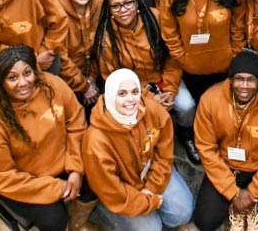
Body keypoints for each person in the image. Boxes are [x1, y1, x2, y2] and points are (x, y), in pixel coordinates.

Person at [0, 45, 88, 231]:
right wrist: (55, 188)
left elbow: (76, 121)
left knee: (100, 170)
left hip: (64, 159)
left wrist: (76, 169)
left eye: (27, 73)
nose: (23, 82)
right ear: (0, 82)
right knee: (54, 221)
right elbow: (3, 178)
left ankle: (78, 222)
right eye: (12, 77)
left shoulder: (52, 84)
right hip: (28, 181)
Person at [157, 0, 245, 162]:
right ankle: (188, 137)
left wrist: (234, 52)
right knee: (187, 107)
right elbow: (168, 27)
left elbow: (239, 21)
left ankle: (218, 138)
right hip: (188, 66)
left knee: (220, 106)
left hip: (222, 64)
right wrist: (180, 55)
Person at [192, 51, 258, 231]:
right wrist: (232, 192)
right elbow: (206, 148)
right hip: (226, 166)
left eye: (251, 80)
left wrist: (252, 192)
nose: (244, 86)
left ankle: (249, 205)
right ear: (231, 79)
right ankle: (241, 205)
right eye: (239, 79)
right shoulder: (210, 100)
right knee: (204, 221)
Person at [83, 68, 195, 231]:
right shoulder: (95, 141)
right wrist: (148, 202)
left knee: (182, 214)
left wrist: (152, 187)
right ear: (110, 96)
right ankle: (105, 210)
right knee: (151, 229)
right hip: (123, 191)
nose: (130, 100)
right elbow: (112, 190)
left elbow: (164, 154)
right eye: (121, 94)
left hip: (151, 174)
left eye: (134, 92)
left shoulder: (153, 110)